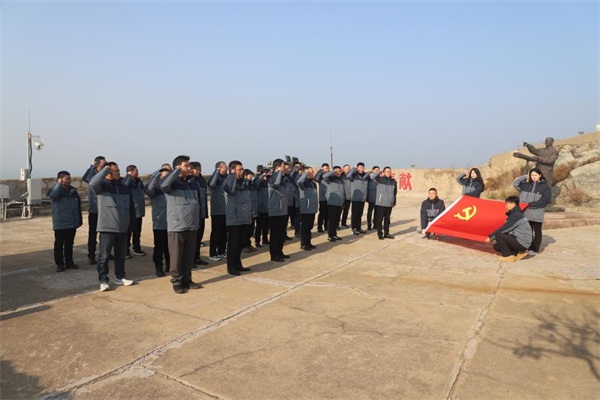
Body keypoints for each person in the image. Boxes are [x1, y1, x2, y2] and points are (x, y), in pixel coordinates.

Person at [89, 162, 135, 291]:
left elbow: (131, 207)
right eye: (116, 171)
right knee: (104, 256)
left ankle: (120, 277)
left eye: (119, 170)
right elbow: (92, 183)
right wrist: (105, 170)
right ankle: (103, 280)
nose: (118, 173)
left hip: (122, 228)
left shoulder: (124, 188)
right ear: (108, 173)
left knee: (120, 256)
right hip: (107, 228)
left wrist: (131, 224)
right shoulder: (102, 187)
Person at [160, 155, 203, 294]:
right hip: (177, 226)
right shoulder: (171, 183)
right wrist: (176, 172)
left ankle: (187, 279)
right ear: (177, 167)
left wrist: (197, 221)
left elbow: (197, 203)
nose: (189, 168)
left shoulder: (193, 183)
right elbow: (163, 186)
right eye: (186, 166)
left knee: (189, 256)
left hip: (192, 225)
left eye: (189, 165)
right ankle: (177, 281)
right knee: (176, 257)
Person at [48, 171, 82, 272]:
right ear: (60, 179)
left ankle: (69, 262)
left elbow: (78, 206)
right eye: (67, 178)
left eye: (69, 178)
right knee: (59, 244)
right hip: (61, 222)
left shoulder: (73, 191)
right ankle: (59, 264)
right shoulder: (55, 190)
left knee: (69, 244)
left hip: (72, 222)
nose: (69, 180)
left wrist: (79, 220)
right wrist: (59, 184)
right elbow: (53, 195)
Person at [512, 168, 552, 256]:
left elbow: (546, 200)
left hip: (536, 213)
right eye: (532, 175)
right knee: (527, 231)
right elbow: (515, 184)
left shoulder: (545, 187)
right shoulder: (525, 185)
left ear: (540, 175)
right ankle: (526, 246)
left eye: (536, 175)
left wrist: (531, 204)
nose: (534, 177)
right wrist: (524, 176)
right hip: (525, 213)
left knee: (537, 232)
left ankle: (535, 249)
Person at [223, 161, 253, 275]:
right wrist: (232, 176)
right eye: (240, 169)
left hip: (243, 218)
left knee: (240, 244)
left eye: (242, 169)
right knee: (233, 244)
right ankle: (231, 267)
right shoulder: (229, 181)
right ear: (233, 170)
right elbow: (230, 190)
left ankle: (238, 264)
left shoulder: (243, 183)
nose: (242, 171)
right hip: (234, 219)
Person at [485, 196, 532, 262]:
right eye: (506, 203)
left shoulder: (516, 215)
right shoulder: (515, 213)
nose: (506, 205)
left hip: (522, 243)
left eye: (509, 203)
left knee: (499, 235)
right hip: (521, 241)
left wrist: (490, 237)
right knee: (496, 246)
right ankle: (518, 253)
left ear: (514, 204)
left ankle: (508, 256)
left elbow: (504, 229)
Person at [145, 164, 172, 277]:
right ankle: (158, 267)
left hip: (172, 222)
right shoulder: (155, 188)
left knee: (170, 247)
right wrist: (157, 174)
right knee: (159, 246)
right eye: (164, 172)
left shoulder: (172, 187)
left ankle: (170, 265)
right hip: (159, 222)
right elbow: (149, 190)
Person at [82, 155, 106, 265]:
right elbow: (87, 179)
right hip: (94, 209)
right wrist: (92, 166)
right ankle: (91, 255)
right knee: (93, 234)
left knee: (105, 234)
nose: (105, 166)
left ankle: (105, 253)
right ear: (97, 164)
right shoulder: (93, 175)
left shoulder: (106, 175)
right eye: (103, 164)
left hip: (104, 209)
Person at [268, 159, 290, 262]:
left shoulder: (283, 178)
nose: (285, 168)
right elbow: (276, 184)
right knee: (275, 235)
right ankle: (274, 254)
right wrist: (280, 172)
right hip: (275, 211)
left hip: (283, 210)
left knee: (281, 234)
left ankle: (279, 251)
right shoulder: (272, 177)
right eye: (283, 166)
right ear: (278, 167)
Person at [123, 165, 146, 258]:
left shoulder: (139, 182)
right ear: (130, 172)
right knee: (128, 232)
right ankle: (125, 250)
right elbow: (123, 187)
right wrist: (128, 176)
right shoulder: (126, 182)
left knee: (137, 232)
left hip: (139, 211)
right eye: (136, 171)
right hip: (130, 212)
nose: (137, 173)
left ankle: (137, 248)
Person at [370, 166, 397, 240]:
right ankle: (380, 234)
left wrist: (394, 201)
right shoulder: (379, 180)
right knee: (379, 220)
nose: (389, 173)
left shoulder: (393, 181)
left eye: (390, 171)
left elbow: (394, 193)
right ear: (384, 172)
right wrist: (380, 171)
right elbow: (372, 177)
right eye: (387, 171)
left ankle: (386, 233)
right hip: (380, 203)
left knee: (387, 220)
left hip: (389, 204)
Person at [208, 161, 228, 261]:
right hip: (217, 211)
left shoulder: (226, 178)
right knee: (216, 232)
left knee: (224, 233)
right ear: (219, 168)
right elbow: (211, 184)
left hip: (226, 210)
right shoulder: (214, 178)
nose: (227, 169)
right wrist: (216, 172)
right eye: (225, 167)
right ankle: (213, 253)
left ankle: (222, 251)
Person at [190, 162, 209, 266]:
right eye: (196, 169)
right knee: (191, 239)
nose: (198, 171)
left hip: (201, 213)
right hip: (193, 215)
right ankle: (190, 260)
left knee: (198, 238)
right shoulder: (189, 181)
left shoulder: (202, 180)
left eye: (199, 169)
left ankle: (197, 257)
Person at [297, 167, 318, 250]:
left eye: (311, 172)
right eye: (309, 172)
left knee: (309, 227)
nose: (311, 174)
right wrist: (306, 173)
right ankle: (304, 244)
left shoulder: (313, 183)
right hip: (306, 208)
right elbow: (299, 181)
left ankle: (308, 242)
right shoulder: (303, 183)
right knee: (305, 227)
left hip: (312, 208)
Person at [322, 166, 346, 242]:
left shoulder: (341, 181)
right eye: (337, 171)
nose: (339, 173)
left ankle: (334, 234)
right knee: (331, 220)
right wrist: (334, 172)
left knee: (336, 220)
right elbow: (324, 176)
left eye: (340, 171)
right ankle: (330, 235)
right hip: (332, 202)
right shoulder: (330, 179)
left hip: (339, 203)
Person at [346, 162, 369, 235]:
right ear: (357, 168)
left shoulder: (366, 176)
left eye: (362, 167)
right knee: (355, 214)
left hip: (362, 198)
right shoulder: (354, 175)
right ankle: (354, 228)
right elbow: (348, 175)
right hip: (355, 198)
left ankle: (359, 228)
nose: (361, 169)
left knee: (360, 214)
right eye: (360, 167)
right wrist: (354, 169)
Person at [242, 168, 258, 253]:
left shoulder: (252, 185)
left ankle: (248, 244)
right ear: (245, 176)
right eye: (250, 175)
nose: (252, 176)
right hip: (246, 212)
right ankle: (243, 245)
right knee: (245, 230)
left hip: (253, 211)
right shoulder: (244, 184)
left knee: (251, 230)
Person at [254, 168, 270, 248]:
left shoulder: (268, 183)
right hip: (260, 208)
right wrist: (261, 177)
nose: (267, 176)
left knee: (266, 226)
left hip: (268, 208)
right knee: (259, 226)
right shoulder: (258, 182)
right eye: (266, 174)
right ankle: (257, 241)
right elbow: (256, 184)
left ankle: (265, 239)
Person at [314, 163, 330, 233]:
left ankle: (326, 226)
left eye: (327, 168)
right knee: (322, 213)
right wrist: (320, 171)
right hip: (323, 198)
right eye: (325, 168)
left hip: (329, 198)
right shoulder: (320, 177)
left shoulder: (330, 176)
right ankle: (319, 227)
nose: (326, 170)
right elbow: (315, 179)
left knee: (328, 214)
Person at [366, 166, 380, 231]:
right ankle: (369, 225)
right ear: (373, 170)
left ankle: (375, 225)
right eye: (376, 170)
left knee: (377, 213)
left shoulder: (379, 179)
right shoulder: (370, 177)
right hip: (371, 198)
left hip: (377, 199)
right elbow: (373, 177)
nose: (377, 172)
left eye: (378, 170)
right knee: (370, 213)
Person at [340, 164, 352, 229]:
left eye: (349, 169)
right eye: (347, 169)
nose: (348, 170)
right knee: (339, 211)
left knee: (346, 211)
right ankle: (336, 224)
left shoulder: (351, 177)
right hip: (342, 197)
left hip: (348, 196)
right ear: (343, 169)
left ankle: (344, 223)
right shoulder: (341, 176)